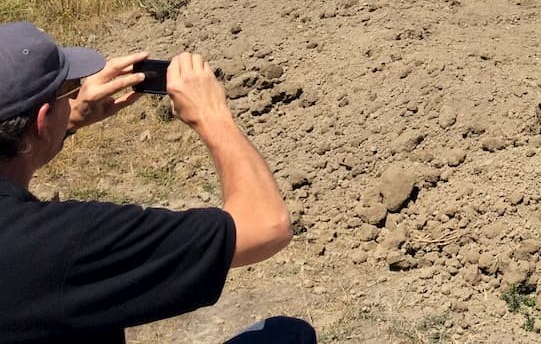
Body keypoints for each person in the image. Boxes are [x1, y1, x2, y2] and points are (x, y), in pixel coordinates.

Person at [0, 22, 311, 344]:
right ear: (40, 121)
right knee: (287, 335)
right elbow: (266, 227)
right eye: (69, 92)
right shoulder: (67, 241)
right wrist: (212, 116)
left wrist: (64, 122)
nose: (74, 98)